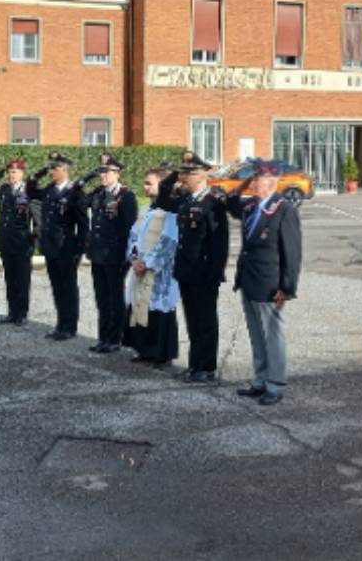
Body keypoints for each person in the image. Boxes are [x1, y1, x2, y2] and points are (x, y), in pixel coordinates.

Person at [226, 160, 301, 406]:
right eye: (253, 179)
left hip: (270, 283)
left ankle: (275, 384)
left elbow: (292, 253)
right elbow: (229, 202)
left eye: (257, 180)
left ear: (272, 182)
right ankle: (260, 380)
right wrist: (243, 184)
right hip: (248, 279)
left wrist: (287, 287)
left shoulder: (284, 209)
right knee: (256, 334)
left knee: (272, 334)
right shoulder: (250, 206)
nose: (252, 184)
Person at [155, 151, 230, 384]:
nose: (185, 178)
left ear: (201, 175)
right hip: (186, 270)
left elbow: (220, 243)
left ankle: (206, 368)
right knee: (193, 321)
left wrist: (215, 274)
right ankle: (194, 364)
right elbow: (162, 197)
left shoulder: (213, 203)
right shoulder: (186, 200)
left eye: (189, 173)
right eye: (184, 173)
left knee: (206, 321)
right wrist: (174, 175)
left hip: (205, 272)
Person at [27, 152, 89, 342]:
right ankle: (60, 324)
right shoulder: (49, 189)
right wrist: (37, 174)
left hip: (66, 247)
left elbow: (83, 224)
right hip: (50, 247)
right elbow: (31, 191)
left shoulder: (75, 193)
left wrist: (79, 249)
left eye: (54, 168)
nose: (50, 172)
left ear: (64, 169)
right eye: (49, 168)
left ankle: (70, 327)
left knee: (68, 288)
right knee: (57, 287)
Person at [122, 167, 180, 368]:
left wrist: (147, 263)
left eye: (149, 183)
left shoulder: (170, 210)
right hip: (139, 266)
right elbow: (133, 235)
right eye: (144, 183)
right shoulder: (146, 207)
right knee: (140, 307)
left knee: (159, 311)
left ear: (162, 185)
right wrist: (133, 258)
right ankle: (144, 349)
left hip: (159, 271)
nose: (145, 187)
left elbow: (169, 240)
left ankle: (162, 354)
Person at [84, 152, 138, 354]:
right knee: (102, 298)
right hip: (98, 254)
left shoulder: (126, 196)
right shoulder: (98, 193)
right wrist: (84, 180)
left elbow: (130, 228)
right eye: (100, 172)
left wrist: (127, 256)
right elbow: (79, 202)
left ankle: (114, 339)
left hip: (115, 256)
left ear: (117, 173)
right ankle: (103, 337)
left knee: (115, 299)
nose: (103, 175)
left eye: (107, 172)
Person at [0, 157, 35, 325]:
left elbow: (38, 220)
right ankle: (12, 312)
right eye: (9, 172)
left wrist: (33, 240)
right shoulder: (4, 189)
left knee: (22, 280)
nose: (12, 175)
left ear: (22, 173)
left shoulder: (29, 191)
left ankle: (22, 314)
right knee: (10, 279)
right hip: (5, 241)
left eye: (15, 172)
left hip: (22, 242)